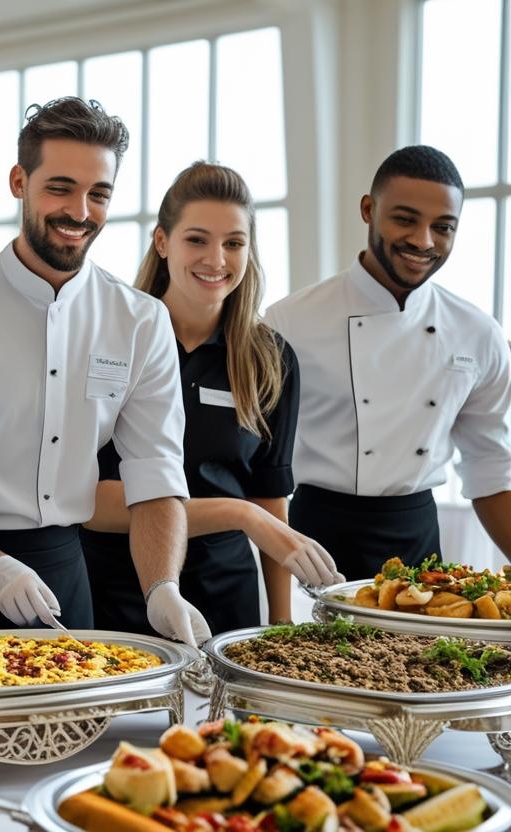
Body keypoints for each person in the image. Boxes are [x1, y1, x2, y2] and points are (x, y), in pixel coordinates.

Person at [0, 97, 209, 645]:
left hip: (68, 576)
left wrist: (162, 585)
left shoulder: (140, 320)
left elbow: (155, 470)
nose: (80, 211)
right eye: (60, 187)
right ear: (19, 181)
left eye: (99, 194)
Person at [80, 162, 340, 633]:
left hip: (228, 598)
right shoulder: (110, 344)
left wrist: (279, 625)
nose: (216, 259)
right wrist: (239, 514)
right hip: (117, 592)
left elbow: (269, 499)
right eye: (197, 240)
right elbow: (90, 503)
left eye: (233, 243)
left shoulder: (271, 360)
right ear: (162, 242)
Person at [267, 146, 511, 578]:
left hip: (419, 545)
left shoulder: (478, 332)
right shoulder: (289, 321)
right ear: (368, 210)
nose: (423, 241)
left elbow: (490, 467)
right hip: (314, 540)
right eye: (405, 219)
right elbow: (259, 465)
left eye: (443, 227)